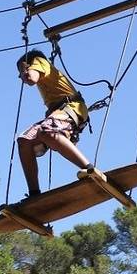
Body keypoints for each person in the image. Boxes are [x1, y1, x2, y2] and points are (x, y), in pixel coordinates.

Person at [14, 49, 97, 200]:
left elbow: (31, 78)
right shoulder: (44, 75)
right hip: (58, 113)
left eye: (21, 73)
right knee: (24, 140)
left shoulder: (39, 61)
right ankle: (34, 194)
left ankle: (89, 169)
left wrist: (26, 69)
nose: (21, 78)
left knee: (47, 131)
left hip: (72, 108)